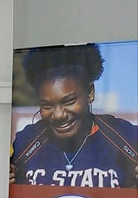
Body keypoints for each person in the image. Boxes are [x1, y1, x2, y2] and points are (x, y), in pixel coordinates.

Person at [10, 43, 138, 188]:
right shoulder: (25, 142)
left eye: (69, 101)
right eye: (47, 106)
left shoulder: (127, 137)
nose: (58, 115)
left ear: (90, 92)